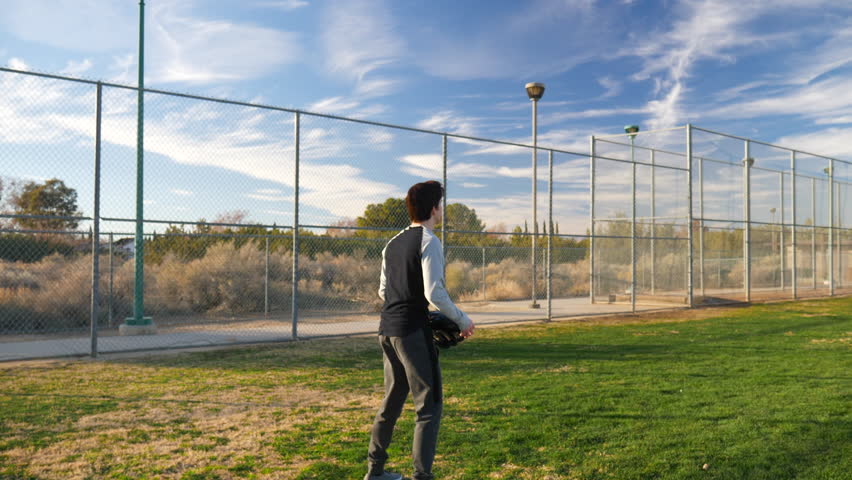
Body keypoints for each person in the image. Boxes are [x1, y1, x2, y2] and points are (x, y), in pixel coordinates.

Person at [365, 180, 476, 480]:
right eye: (440, 204)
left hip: (386, 329)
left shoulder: (393, 243)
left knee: (392, 401)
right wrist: (463, 320)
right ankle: (421, 476)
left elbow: (383, 290)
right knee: (429, 406)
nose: (441, 209)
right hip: (412, 332)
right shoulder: (430, 241)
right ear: (433, 208)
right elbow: (434, 294)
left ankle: (374, 472)